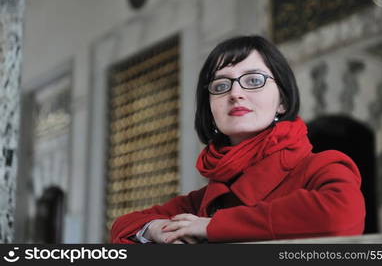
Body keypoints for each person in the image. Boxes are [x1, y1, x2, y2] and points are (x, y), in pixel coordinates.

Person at [110, 35, 365, 244]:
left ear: (282, 101)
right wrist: (158, 229)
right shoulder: (205, 198)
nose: (235, 93)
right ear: (209, 109)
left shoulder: (321, 167)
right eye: (221, 85)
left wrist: (212, 227)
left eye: (254, 80)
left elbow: (341, 215)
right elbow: (123, 226)